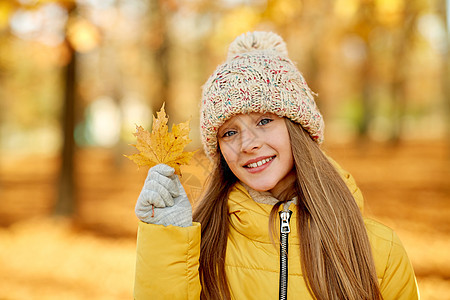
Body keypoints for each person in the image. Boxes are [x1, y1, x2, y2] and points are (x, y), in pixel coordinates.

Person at [133, 31, 419, 300]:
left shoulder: (379, 249)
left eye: (264, 121)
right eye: (229, 132)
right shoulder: (202, 242)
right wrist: (167, 239)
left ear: (298, 128)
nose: (248, 144)